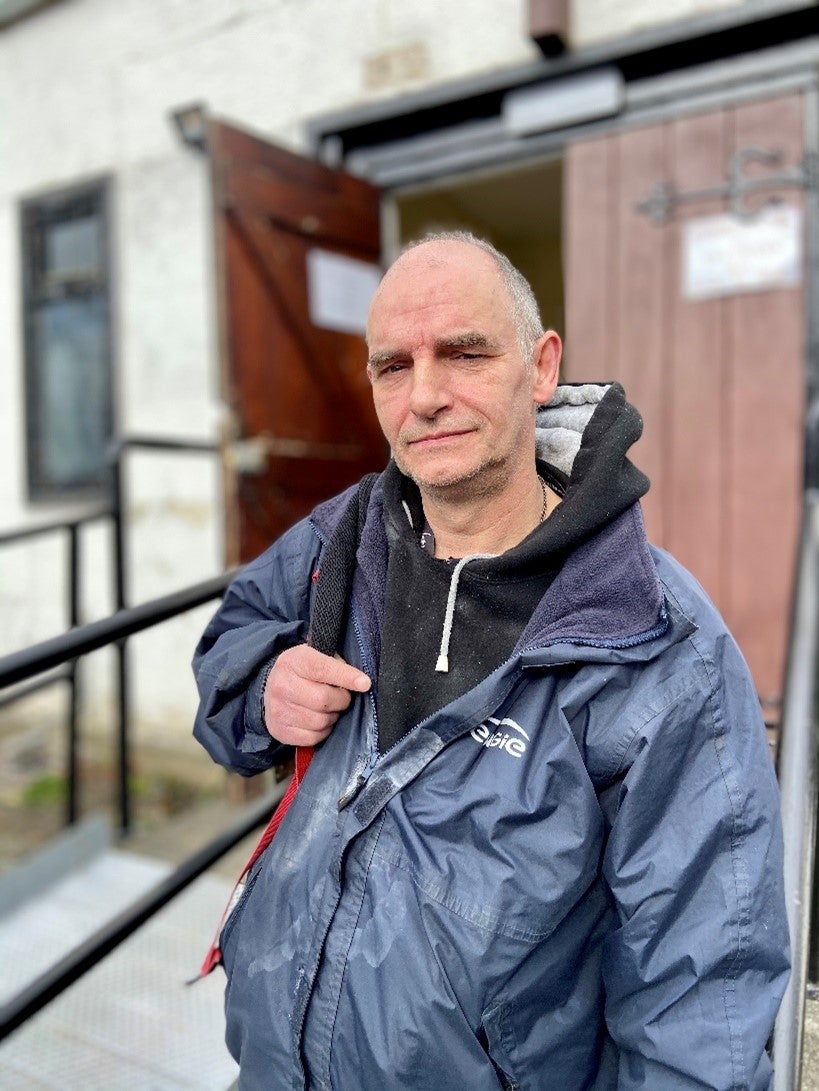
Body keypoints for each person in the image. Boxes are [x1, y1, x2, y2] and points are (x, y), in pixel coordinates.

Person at [192, 232, 789, 1090]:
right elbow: (230, 643)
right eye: (393, 366)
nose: (425, 395)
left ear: (541, 368)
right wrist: (261, 693)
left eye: (464, 352)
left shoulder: (655, 645)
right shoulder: (339, 539)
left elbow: (701, 1004)